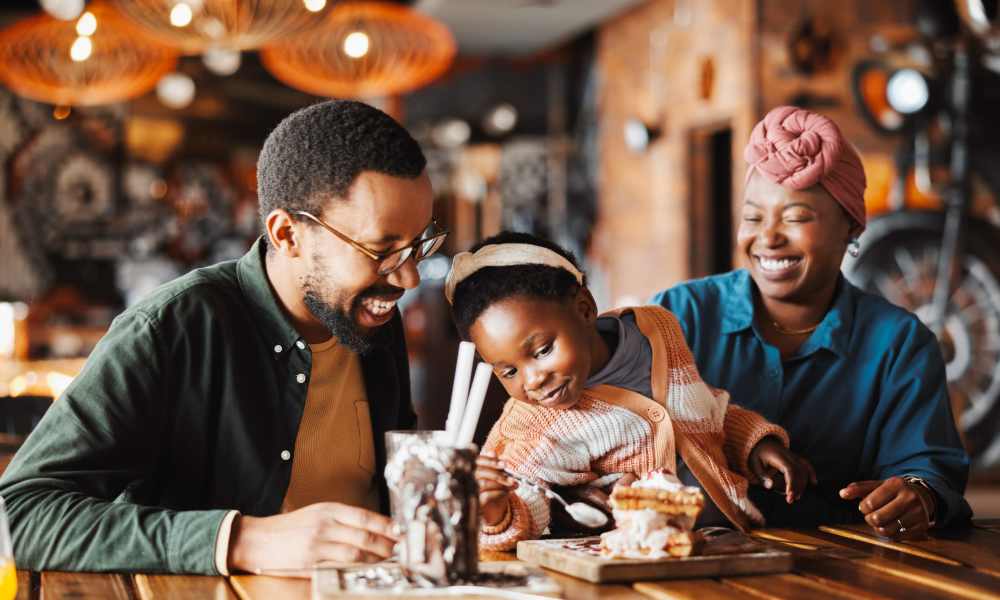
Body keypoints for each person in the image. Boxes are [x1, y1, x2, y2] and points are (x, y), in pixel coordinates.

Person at [0, 100, 448, 574]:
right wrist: (240, 540)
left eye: (418, 245)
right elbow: (19, 514)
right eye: (382, 250)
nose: (409, 279)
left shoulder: (371, 322)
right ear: (288, 234)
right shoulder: (173, 328)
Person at [653, 105, 971, 537]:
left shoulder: (898, 343)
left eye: (796, 217)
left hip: (841, 567)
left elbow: (930, 471)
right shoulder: (679, 316)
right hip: (687, 559)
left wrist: (918, 496)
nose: (767, 237)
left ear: (850, 228)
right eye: (753, 217)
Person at [445, 231, 816, 551]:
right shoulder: (536, 423)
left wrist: (755, 444)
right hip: (632, 567)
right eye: (509, 370)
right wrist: (497, 513)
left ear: (585, 309)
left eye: (542, 351)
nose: (532, 380)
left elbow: (703, 409)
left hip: (735, 540)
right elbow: (527, 497)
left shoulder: (657, 331)